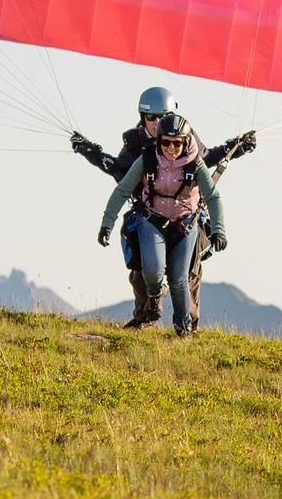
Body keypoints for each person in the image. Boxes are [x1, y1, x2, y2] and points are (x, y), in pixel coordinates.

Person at [70, 87, 256, 327]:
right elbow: (119, 172)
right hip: (150, 215)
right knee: (142, 270)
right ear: (142, 117)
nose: (157, 123)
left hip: (185, 217)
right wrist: (90, 152)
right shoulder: (137, 145)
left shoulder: (186, 137)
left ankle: (188, 326)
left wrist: (237, 147)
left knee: (188, 273)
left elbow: (207, 160)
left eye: (162, 116)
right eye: (151, 117)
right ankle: (145, 315)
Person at [95, 114, 225, 336]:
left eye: (177, 143)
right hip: (152, 221)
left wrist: (218, 230)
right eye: (165, 142)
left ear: (185, 141)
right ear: (158, 141)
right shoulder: (148, 159)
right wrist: (107, 223)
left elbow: (212, 197)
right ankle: (155, 296)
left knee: (179, 279)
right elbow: (122, 190)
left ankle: (184, 330)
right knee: (152, 272)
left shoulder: (196, 163)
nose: (171, 148)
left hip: (185, 225)